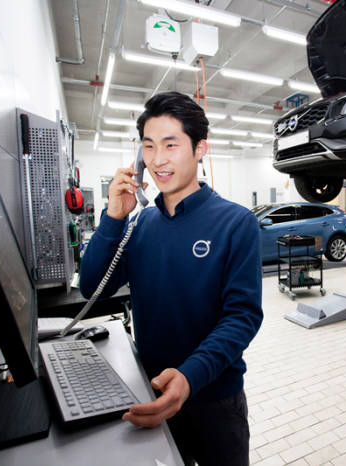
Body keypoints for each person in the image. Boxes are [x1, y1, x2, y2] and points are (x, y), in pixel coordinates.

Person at [80, 91, 263, 465]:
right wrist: (114, 217)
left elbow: (242, 316)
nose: (158, 160)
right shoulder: (141, 223)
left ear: (200, 149)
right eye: (148, 147)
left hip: (215, 399)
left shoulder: (236, 223)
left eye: (170, 145)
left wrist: (189, 376)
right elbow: (92, 289)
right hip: (152, 391)